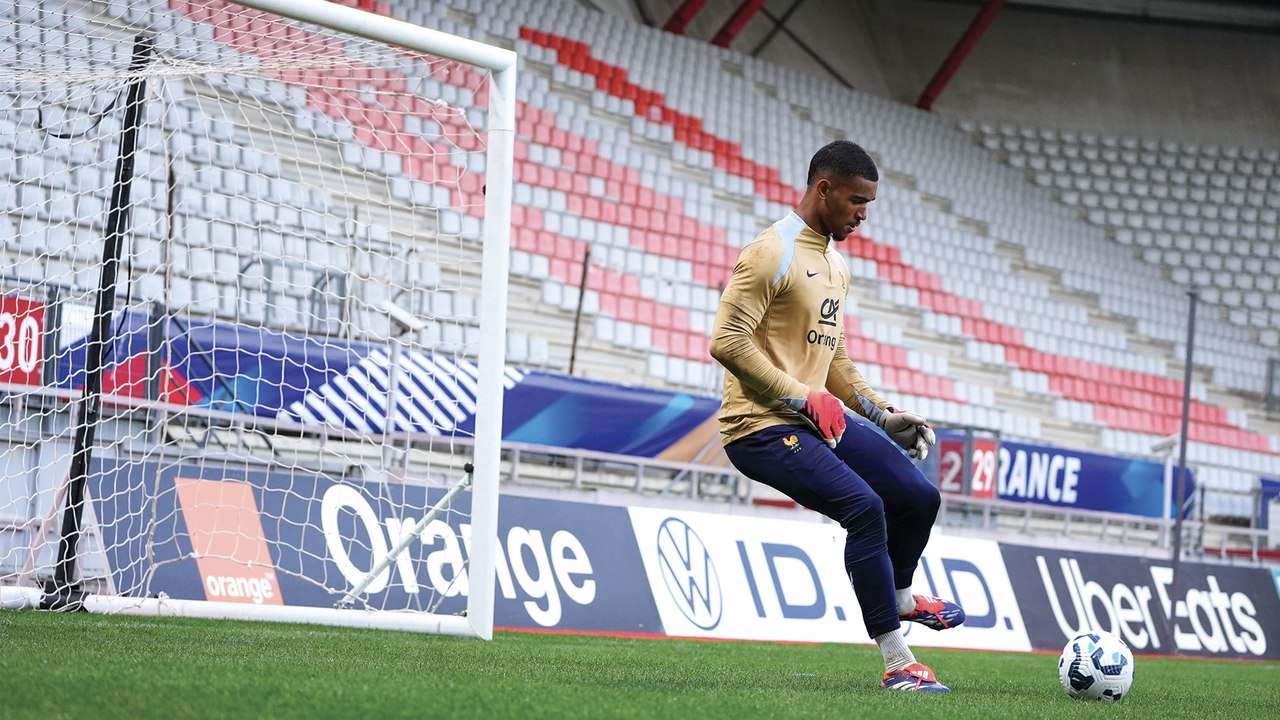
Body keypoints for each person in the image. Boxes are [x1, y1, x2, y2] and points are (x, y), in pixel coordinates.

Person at [708, 140, 964, 693]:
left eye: (868, 203)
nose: (863, 214)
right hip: (758, 427)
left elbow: (835, 358)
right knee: (865, 509)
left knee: (918, 497)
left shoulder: (835, 264)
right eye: (855, 201)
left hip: (814, 420)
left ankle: (899, 596)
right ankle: (899, 664)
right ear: (822, 189)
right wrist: (801, 395)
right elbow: (727, 341)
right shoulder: (768, 252)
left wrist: (881, 413)